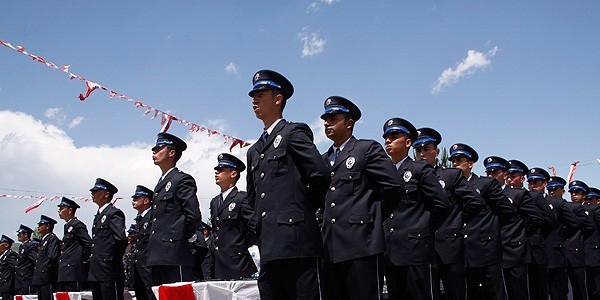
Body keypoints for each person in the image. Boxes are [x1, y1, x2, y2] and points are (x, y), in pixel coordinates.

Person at [246, 70, 331, 300]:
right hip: (269, 246)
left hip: (297, 243)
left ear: (278, 99)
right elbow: (253, 199)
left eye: (260, 94)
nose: (254, 99)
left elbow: (320, 175)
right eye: (253, 95)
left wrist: (300, 210)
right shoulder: (254, 151)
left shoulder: (293, 132)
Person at [319, 96, 404, 300]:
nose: (326, 123)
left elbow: (394, 186)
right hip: (330, 247)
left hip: (361, 245)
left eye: (333, 118)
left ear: (349, 123)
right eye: (325, 119)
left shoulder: (366, 149)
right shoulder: (323, 159)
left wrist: (371, 217)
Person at [381, 118, 450, 300]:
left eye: (394, 136)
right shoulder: (383, 172)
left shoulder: (420, 170)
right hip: (391, 252)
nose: (388, 140)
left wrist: (422, 229)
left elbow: (441, 205)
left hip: (416, 251)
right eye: (386, 137)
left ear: (408, 142)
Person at [413, 127, 484, 300]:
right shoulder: (410, 176)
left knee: (456, 292)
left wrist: (456, 220)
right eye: (418, 150)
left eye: (426, 149)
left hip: (449, 245)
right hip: (420, 246)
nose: (422, 154)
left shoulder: (450, 175)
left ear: (436, 152)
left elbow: (475, 202)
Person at [448, 143, 515, 300]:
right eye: (453, 161)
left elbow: (508, 212)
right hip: (461, 251)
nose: (455, 164)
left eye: (459, 159)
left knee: (495, 293)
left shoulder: (485, 184)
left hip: (486, 250)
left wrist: (491, 232)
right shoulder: (450, 185)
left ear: (470, 164)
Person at [483, 156, 542, 300]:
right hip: (491, 251)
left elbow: (536, 218)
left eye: (494, 172)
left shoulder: (517, 194)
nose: (491, 176)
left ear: (504, 174)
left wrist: (519, 234)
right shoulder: (484, 194)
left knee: (518, 292)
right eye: (488, 173)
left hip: (514, 252)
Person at [147, 132, 202, 285]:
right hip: (157, 254)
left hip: (175, 253)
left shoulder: (182, 179)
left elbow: (193, 216)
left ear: (171, 153)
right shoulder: (160, 185)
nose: (154, 152)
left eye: (159, 149)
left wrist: (179, 239)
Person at [527, 168, 579, 300]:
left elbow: (574, 224)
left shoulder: (556, 203)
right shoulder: (526, 200)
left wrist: (560, 236)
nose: (532, 185)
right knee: (537, 293)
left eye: (536, 182)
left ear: (544, 184)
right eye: (530, 182)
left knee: (558, 293)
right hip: (535, 254)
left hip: (553, 254)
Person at [507, 160, 556, 300]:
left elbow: (550, 220)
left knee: (537, 290)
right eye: (508, 176)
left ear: (522, 178)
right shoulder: (504, 195)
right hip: (513, 251)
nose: (510, 179)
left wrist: (531, 233)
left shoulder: (533, 196)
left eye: (513, 176)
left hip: (533, 248)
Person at [210, 153, 257, 280]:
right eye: (216, 170)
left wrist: (239, 246)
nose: (216, 172)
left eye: (221, 170)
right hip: (218, 263)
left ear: (233, 174)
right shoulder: (214, 202)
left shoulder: (242, 198)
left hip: (237, 263)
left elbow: (254, 228)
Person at [88, 178, 127, 300]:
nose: (92, 193)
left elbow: (120, 240)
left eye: (96, 190)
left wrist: (111, 259)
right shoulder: (98, 216)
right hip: (96, 270)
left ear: (106, 194)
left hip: (109, 269)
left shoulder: (113, 213)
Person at [565, 180, 594, 300]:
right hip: (571, 251)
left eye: (577, 193)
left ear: (584, 195)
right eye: (572, 193)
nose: (573, 195)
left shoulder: (591, 209)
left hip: (587, 251)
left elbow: (590, 227)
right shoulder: (568, 207)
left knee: (586, 287)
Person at [57, 197, 92, 292]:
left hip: (73, 270)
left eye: (62, 208)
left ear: (70, 210)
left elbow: (88, 243)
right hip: (65, 271)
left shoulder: (77, 225)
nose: (59, 210)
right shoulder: (67, 226)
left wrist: (81, 259)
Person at [131, 185, 155, 300]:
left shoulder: (152, 216)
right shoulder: (140, 219)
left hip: (148, 265)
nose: (133, 201)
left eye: (137, 198)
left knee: (151, 294)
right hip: (139, 265)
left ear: (146, 200)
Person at [32, 215, 60, 300]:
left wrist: (46, 269)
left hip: (46, 276)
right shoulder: (44, 240)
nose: (38, 227)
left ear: (48, 226)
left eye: (41, 225)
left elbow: (53, 256)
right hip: (41, 277)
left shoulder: (52, 238)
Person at [585, 187, 600, 300]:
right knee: (591, 286)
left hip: (596, 254)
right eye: (586, 199)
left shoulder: (595, 211)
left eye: (590, 199)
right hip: (589, 254)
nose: (587, 203)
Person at [14, 224, 37, 295]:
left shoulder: (29, 246)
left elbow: (35, 259)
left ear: (26, 235)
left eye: (20, 233)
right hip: (20, 279)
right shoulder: (22, 246)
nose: (18, 235)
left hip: (26, 279)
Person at [0, 235, 17, 300]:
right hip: (3, 285)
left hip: (8, 285)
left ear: (6, 245)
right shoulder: (3, 256)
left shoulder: (10, 254)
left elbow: (15, 267)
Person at [124, 224, 137, 290]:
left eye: (131, 234)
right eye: (129, 234)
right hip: (129, 281)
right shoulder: (127, 248)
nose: (129, 236)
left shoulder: (138, 247)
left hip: (136, 281)